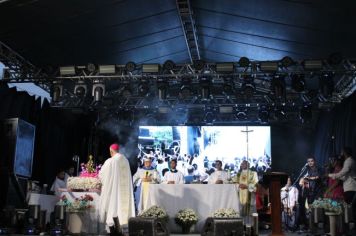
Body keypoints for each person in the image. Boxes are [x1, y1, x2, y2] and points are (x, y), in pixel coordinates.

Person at [98, 143, 135, 234]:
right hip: (124, 192)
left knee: (114, 206)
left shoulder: (111, 161)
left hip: (114, 190)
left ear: (111, 151)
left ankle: (112, 229)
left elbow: (102, 175)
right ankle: (124, 228)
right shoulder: (125, 160)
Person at [297, 156, 322, 230]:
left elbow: (318, 177)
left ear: (314, 161)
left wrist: (309, 179)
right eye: (308, 161)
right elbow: (302, 178)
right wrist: (302, 181)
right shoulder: (306, 170)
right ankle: (309, 225)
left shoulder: (318, 169)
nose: (310, 162)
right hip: (308, 192)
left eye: (311, 161)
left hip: (316, 192)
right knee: (308, 210)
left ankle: (316, 225)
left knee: (315, 209)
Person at [328, 147, 356, 214]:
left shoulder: (349, 161)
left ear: (344, 153)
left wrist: (329, 175)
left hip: (350, 188)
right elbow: (344, 177)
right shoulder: (349, 161)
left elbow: (340, 174)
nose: (340, 154)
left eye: (341, 152)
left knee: (349, 210)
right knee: (350, 210)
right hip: (348, 188)